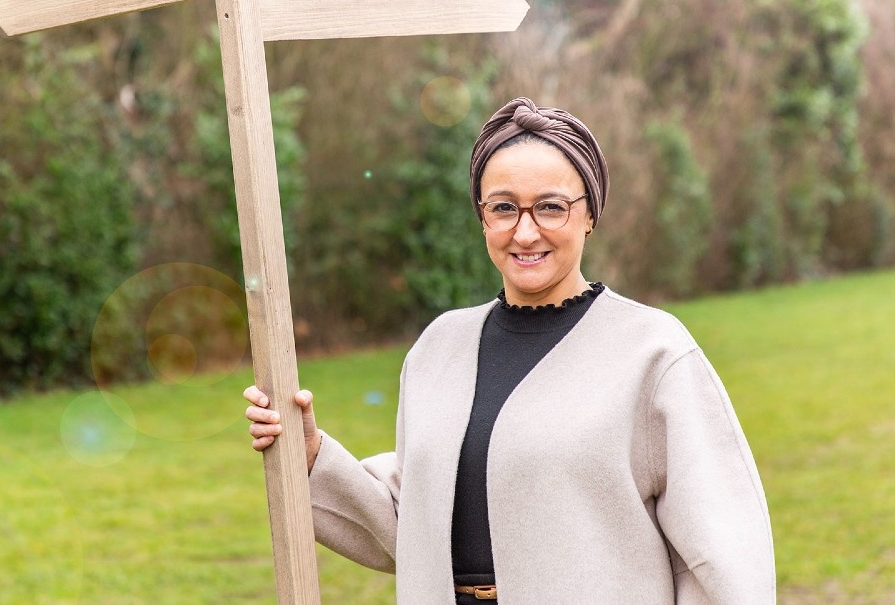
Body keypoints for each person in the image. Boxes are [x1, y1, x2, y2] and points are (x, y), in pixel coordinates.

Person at [243, 96, 775, 603]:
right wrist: (309, 456)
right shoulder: (438, 349)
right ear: (482, 217)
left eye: (550, 207)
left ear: (590, 213)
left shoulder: (653, 354)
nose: (525, 232)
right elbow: (415, 529)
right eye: (503, 208)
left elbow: (723, 551)